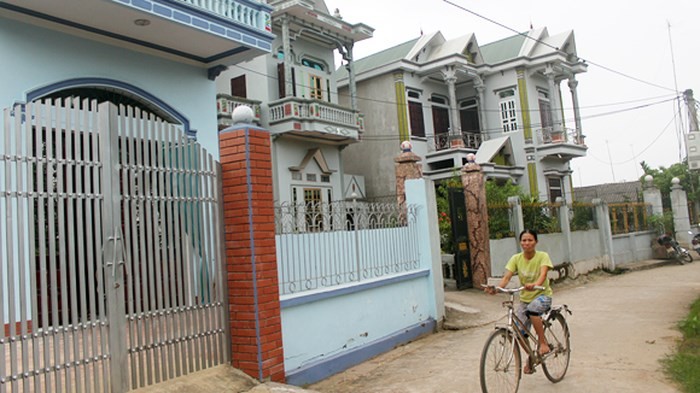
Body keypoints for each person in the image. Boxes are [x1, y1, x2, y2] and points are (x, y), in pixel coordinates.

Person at [485, 229, 553, 374]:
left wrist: (535, 284)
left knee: (534, 309)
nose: (526, 243)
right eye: (523, 240)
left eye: (530, 240)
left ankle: (542, 342)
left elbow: (543, 274)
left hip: (542, 296)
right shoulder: (516, 258)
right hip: (524, 299)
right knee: (518, 332)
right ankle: (531, 355)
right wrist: (497, 289)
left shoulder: (543, 256)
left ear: (536, 242)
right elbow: (506, 278)